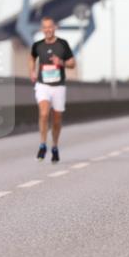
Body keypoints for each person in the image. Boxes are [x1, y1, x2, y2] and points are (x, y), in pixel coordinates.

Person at [29, 17, 76, 163]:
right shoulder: (37, 45)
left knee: (56, 119)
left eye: (50, 27)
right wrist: (32, 70)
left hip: (59, 86)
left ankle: (54, 146)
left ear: (54, 28)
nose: (48, 30)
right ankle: (43, 144)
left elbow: (73, 63)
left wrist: (61, 62)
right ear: (42, 29)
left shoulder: (63, 44)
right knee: (43, 113)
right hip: (43, 85)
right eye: (45, 27)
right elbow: (31, 57)